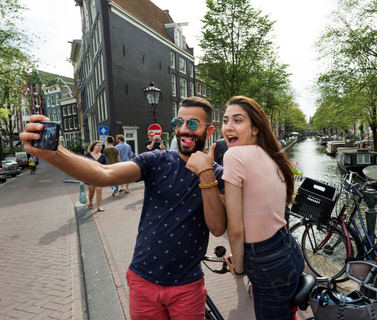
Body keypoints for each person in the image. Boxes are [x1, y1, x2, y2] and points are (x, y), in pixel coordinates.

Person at [20, 96, 226, 320]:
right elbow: (104, 174)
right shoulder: (155, 161)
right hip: (142, 280)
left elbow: (217, 228)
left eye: (193, 124)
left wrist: (205, 173)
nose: (184, 130)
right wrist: (55, 153)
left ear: (209, 130)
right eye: (178, 123)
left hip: (187, 286)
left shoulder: (217, 175)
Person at [221, 96, 304, 320]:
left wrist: (239, 270)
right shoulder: (271, 155)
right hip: (289, 250)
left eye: (238, 121)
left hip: (267, 263)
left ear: (255, 128)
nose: (228, 127)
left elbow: (236, 228)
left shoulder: (234, 155)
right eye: (225, 120)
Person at [84, 140, 107, 212]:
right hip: (90, 176)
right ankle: (90, 202)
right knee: (91, 192)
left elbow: (105, 166)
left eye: (101, 146)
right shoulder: (87, 155)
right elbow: (83, 165)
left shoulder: (103, 156)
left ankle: (99, 206)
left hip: (99, 176)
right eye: (98, 145)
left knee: (99, 190)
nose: (100, 147)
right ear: (94, 146)